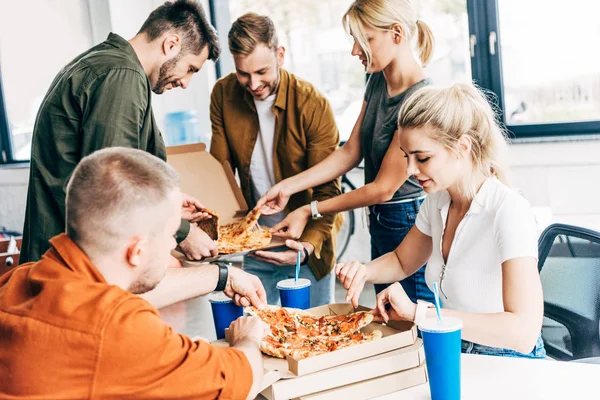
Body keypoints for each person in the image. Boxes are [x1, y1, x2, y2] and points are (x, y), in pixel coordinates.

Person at [0, 148, 267, 399]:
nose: (174, 244)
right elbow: (243, 380)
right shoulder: (118, 329)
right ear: (137, 250)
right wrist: (247, 338)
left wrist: (221, 275)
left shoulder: (21, 278)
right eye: (172, 233)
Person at [336, 83, 546, 358]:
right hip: (454, 346)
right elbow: (402, 261)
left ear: (462, 147)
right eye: (406, 157)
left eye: (422, 158)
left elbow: (523, 332)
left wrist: (417, 313)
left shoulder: (508, 211)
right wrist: (364, 272)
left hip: (508, 359)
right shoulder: (438, 200)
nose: (410, 170)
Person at [255, 0, 435, 304]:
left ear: (396, 34)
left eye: (363, 40)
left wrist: (310, 209)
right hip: (382, 221)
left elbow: (382, 189)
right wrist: (288, 187)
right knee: (390, 316)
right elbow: (351, 151)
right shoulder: (377, 79)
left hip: (407, 220)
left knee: (414, 326)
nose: (355, 50)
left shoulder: (419, 99)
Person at [21, 0, 220, 265]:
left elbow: (108, 169)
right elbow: (113, 185)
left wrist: (168, 203)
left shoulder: (106, 62)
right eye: (191, 69)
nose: (185, 83)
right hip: (71, 268)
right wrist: (182, 232)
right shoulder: (121, 76)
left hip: (66, 260)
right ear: (170, 44)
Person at [210, 13, 342, 307]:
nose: (253, 83)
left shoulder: (312, 103)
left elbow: (328, 191)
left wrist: (306, 247)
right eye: (243, 73)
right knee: (261, 335)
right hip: (256, 245)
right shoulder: (223, 93)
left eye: (262, 71)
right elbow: (218, 175)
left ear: (280, 55)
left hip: (308, 247)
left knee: (313, 338)